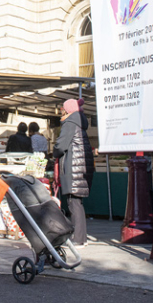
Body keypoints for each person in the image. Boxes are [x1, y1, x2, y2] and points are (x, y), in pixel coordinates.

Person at [53, 99, 95, 247]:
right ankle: (81, 237)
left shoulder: (70, 123)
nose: (61, 112)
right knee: (77, 202)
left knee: (74, 203)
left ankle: (78, 238)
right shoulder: (79, 122)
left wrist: (54, 152)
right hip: (80, 166)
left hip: (73, 166)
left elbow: (61, 145)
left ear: (67, 110)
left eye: (62, 109)